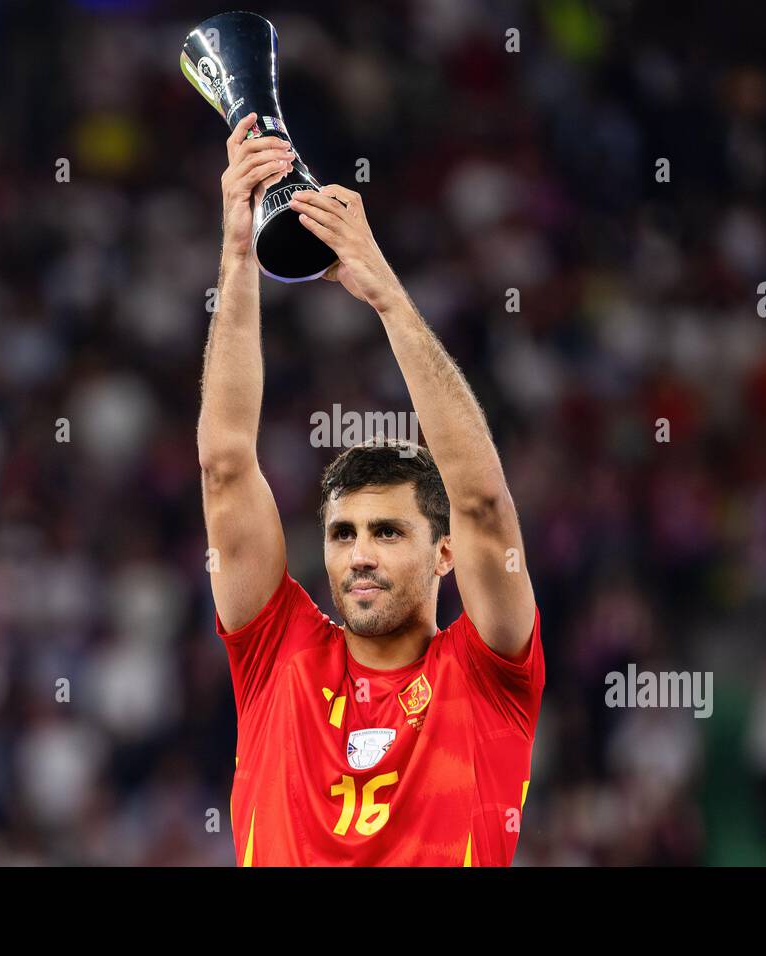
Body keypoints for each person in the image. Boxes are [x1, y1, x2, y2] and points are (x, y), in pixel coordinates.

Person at [197, 113, 545, 865]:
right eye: (343, 533)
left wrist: (387, 296)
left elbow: (482, 503)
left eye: (388, 532)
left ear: (444, 552)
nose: (359, 554)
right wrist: (236, 249)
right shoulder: (277, 652)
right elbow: (225, 465)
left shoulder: (488, 676)